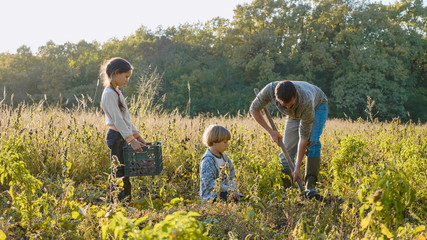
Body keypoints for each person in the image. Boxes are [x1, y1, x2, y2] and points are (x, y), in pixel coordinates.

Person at [249, 80, 328, 199]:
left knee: (313, 141)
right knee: (286, 150)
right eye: (284, 106)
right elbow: (254, 109)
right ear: (276, 98)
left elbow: (303, 139)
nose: (288, 107)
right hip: (294, 115)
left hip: (318, 105)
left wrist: (297, 168)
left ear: (295, 95)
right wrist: (271, 132)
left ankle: (310, 187)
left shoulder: (306, 101)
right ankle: (286, 190)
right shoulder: (270, 90)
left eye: (290, 104)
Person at [100, 57, 146, 202]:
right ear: (116, 73)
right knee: (118, 172)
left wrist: (137, 135)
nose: (127, 80)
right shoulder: (109, 94)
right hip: (116, 136)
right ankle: (117, 203)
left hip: (123, 135)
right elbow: (118, 121)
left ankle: (126, 201)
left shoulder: (117, 92)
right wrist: (131, 140)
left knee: (126, 171)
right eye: (126, 76)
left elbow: (125, 119)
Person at [199, 124, 243, 202]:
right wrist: (228, 189)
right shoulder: (208, 160)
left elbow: (231, 176)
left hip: (226, 191)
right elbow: (209, 184)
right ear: (214, 142)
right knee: (230, 199)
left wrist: (233, 189)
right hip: (211, 196)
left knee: (243, 199)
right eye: (225, 142)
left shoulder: (225, 157)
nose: (227, 144)